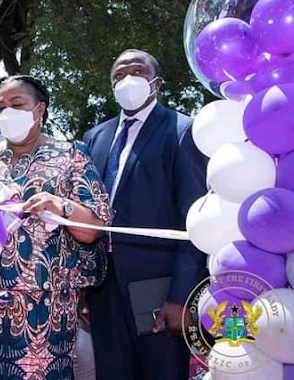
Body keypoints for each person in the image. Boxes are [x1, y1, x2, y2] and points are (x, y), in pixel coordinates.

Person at [0, 75, 112, 379]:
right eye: (0, 106)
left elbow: (95, 227)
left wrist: (62, 206)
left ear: (40, 110)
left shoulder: (70, 157)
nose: (7, 112)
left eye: (17, 104)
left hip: (44, 305)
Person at [83, 49, 208, 380]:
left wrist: (181, 296)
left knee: (161, 372)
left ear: (157, 82)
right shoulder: (95, 137)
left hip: (157, 286)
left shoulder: (182, 130)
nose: (127, 80)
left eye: (136, 72)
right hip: (102, 287)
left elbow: (193, 219)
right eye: (119, 75)